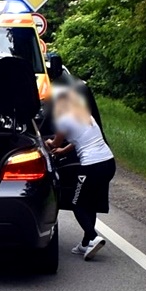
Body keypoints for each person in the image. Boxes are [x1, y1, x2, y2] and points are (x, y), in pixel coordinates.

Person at [45, 86, 117, 260]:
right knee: (90, 202)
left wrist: (49, 143)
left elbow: (54, 143)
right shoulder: (84, 114)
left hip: (92, 166)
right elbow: (81, 138)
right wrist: (65, 150)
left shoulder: (63, 120)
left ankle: (93, 237)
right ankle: (85, 244)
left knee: (77, 203)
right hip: (108, 163)